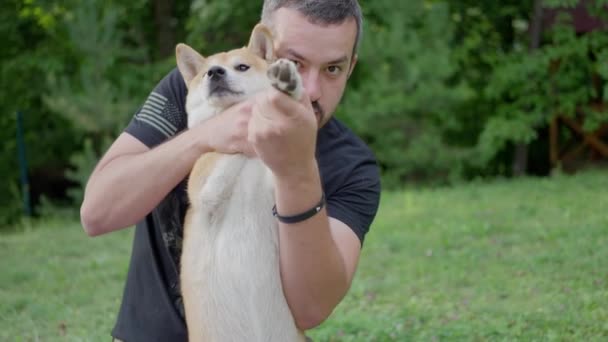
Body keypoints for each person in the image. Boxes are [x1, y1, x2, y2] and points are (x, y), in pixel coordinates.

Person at [80, 0, 381, 340]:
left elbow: (311, 308)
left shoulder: (352, 165)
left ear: (351, 67)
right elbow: (96, 212)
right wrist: (205, 137)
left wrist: (297, 171)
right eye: (293, 63)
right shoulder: (196, 92)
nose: (310, 89)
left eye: (332, 69)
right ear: (266, 50)